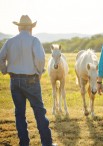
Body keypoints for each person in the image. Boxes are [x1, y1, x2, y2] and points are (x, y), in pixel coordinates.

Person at [0, 15, 57, 146]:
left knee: (19, 113)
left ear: (19, 27)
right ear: (31, 28)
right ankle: (47, 143)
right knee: (39, 111)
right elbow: (40, 59)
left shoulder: (10, 41)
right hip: (31, 80)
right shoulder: (34, 40)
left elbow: (0, 57)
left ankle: (24, 143)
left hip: (14, 80)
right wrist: (38, 72)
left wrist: (5, 70)